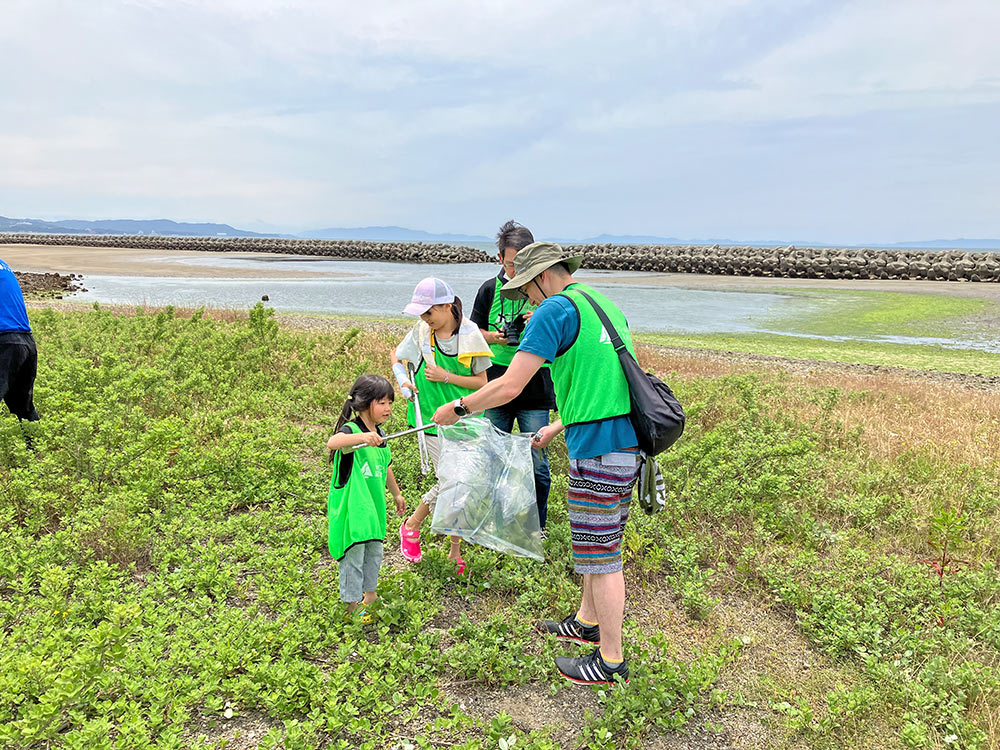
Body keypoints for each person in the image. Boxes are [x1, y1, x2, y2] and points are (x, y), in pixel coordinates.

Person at [431, 242, 639, 686]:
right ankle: (585, 623)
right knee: (594, 539)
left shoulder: (555, 310)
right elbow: (611, 384)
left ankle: (611, 661)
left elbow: (508, 386)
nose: (526, 301)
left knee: (603, 555)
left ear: (543, 277)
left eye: (526, 291)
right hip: (623, 445)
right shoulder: (603, 303)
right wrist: (559, 427)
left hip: (600, 450)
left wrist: (460, 407)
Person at [392, 277, 491, 576]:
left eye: (430, 313)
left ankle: (414, 524)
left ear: (447, 306)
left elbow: (482, 384)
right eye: (422, 314)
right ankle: (447, 546)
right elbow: (397, 358)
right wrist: (403, 381)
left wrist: (446, 376)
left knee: (460, 482)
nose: (426, 319)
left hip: (467, 419)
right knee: (453, 481)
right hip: (432, 423)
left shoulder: (471, 334)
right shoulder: (423, 332)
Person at [470, 221, 555, 529]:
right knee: (492, 457)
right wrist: (496, 337)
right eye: (510, 264)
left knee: (536, 463)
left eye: (524, 265)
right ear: (499, 259)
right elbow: (472, 331)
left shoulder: (547, 293)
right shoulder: (489, 289)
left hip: (535, 388)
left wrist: (540, 319)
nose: (518, 272)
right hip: (496, 382)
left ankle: (537, 526)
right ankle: (495, 523)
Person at [326, 374, 407, 622]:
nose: (388, 408)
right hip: (353, 509)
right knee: (354, 555)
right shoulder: (352, 431)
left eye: (390, 403)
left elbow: (386, 466)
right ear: (363, 403)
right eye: (381, 402)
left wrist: (396, 493)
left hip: (374, 508)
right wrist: (362, 438)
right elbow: (334, 442)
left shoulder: (380, 435)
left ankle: (370, 595)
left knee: (374, 552)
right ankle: (351, 606)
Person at [0, 258, 41, 426]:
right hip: (25, 341)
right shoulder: (4, 265)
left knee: (23, 407)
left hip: (5, 342)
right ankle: (37, 450)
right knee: (24, 408)